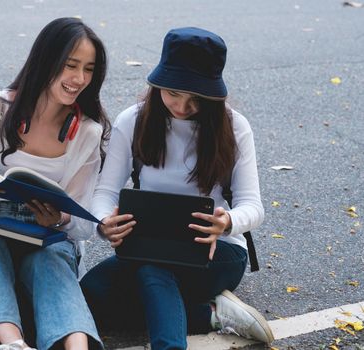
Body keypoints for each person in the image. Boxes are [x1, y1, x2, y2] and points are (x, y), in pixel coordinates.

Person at [80, 27, 274, 349]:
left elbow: (253, 207)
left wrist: (226, 223)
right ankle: (213, 314)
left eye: (196, 98)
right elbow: (105, 193)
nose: (182, 107)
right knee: (89, 297)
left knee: (152, 270)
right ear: (157, 85)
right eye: (172, 93)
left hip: (216, 251)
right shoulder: (134, 120)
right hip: (147, 246)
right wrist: (104, 223)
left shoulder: (234, 126)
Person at [0, 17, 110, 350]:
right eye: (71, 65)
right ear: (46, 60)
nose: (79, 79)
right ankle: (12, 344)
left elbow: (83, 221)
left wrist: (59, 218)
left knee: (53, 258)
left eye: (88, 69)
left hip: (47, 239)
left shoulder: (87, 130)